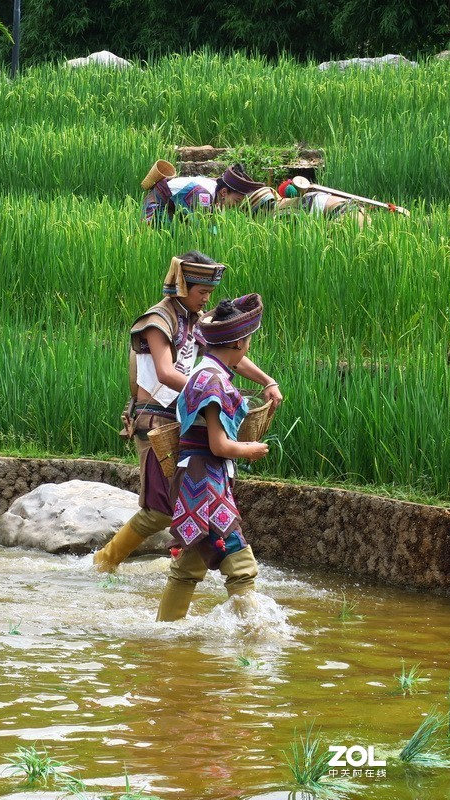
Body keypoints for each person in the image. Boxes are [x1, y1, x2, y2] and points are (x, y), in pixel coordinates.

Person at [94, 251, 282, 572]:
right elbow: (166, 372)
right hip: (155, 420)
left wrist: (267, 380)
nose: (206, 300)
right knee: (160, 510)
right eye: (201, 293)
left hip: (184, 418)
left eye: (209, 294)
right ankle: (104, 561)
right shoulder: (157, 321)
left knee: (186, 504)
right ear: (183, 286)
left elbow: (227, 349)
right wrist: (212, 391)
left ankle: (182, 569)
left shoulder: (195, 319)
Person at [156, 295, 270, 621]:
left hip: (196, 477)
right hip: (205, 480)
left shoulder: (203, 372)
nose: (248, 347)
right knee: (240, 564)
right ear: (238, 343)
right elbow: (219, 445)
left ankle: (165, 632)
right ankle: (256, 636)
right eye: (248, 341)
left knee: (189, 563)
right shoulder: (214, 382)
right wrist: (251, 449)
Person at [142, 164, 267, 226]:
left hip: (171, 210)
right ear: (224, 192)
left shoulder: (215, 192)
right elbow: (198, 226)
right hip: (155, 209)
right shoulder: (203, 195)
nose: (236, 205)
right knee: (176, 238)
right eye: (237, 200)